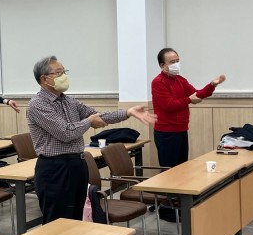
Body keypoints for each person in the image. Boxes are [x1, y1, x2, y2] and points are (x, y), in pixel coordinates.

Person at [27, 55, 156, 224]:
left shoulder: (68, 101)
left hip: (77, 164)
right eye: (58, 73)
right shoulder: (38, 104)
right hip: (55, 169)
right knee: (57, 222)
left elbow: (99, 116)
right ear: (44, 79)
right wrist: (89, 121)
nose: (64, 76)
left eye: (64, 71)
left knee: (76, 219)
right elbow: (66, 132)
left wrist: (128, 112)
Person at [152, 47, 225, 168]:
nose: (176, 64)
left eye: (177, 61)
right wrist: (189, 100)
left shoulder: (180, 80)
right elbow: (169, 105)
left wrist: (212, 85)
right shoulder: (158, 82)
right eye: (172, 62)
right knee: (169, 171)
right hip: (166, 133)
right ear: (162, 65)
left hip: (181, 130)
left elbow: (197, 94)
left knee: (182, 168)